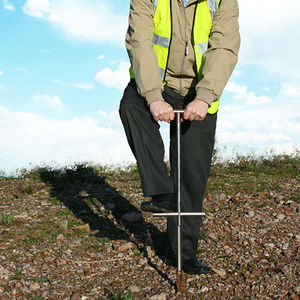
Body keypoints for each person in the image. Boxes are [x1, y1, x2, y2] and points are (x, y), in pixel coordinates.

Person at [119, 0, 240, 274]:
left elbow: (224, 47)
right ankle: (162, 191)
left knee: (192, 177)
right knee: (130, 107)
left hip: (199, 93)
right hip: (157, 85)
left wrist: (205, 98)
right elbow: (140, 42)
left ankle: (183, 254)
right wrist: (151, 96)